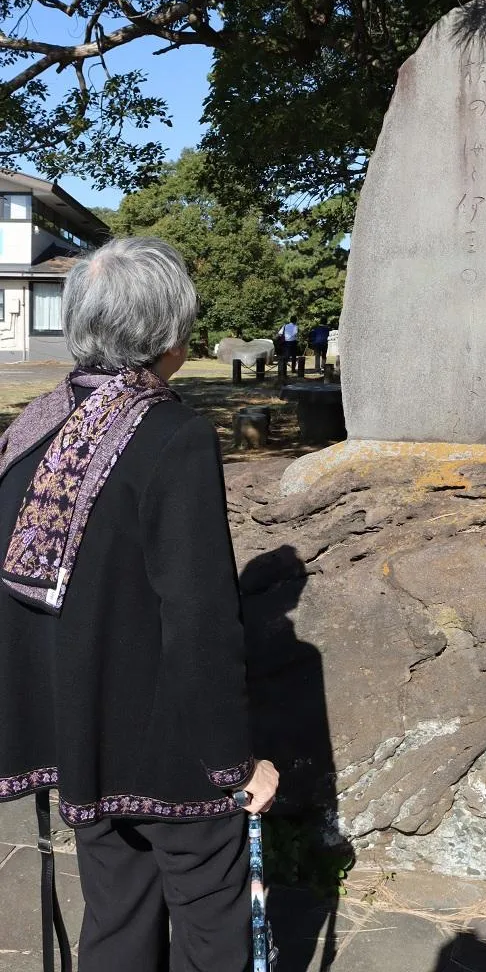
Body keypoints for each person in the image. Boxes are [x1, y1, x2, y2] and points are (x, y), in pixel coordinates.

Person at [0, 237, 279, 972]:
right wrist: (234, 764)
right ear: (168, 332)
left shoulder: (32, 428)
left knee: (117, 914)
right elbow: (201, 618)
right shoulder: (173, 434)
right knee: (212, 924)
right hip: (172, 747)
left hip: (82, 736)